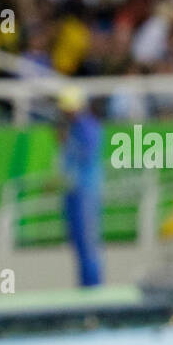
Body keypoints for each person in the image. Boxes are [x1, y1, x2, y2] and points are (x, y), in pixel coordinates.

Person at [58, 87, 104, 288]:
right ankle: (85, 284)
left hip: (86, 190)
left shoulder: (87, 127)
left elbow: (85, 155)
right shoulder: (72, 128)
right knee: (77, 241)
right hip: (73, 190)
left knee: (87, 240)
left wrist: (67, 140)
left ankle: (93, 284)